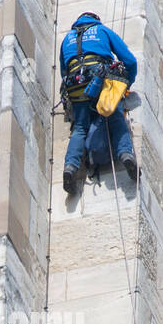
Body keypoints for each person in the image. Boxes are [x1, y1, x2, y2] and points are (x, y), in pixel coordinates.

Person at [59, 12, 138, 193]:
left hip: (75, 86)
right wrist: (127, 83)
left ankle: (70, 167)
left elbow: (64, 71)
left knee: (80, 127)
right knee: (115, 116)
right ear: (95, 19)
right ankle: (126, 153)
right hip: (101, 79)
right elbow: (130, 61)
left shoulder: (67, 39)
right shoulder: (101, 30)